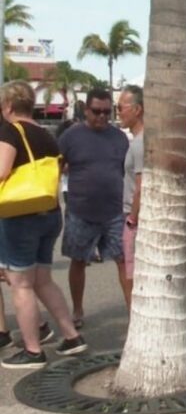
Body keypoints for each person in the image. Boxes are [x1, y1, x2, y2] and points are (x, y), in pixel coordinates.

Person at [0, 81, 87, 368]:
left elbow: (1, 172)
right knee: (43, 280)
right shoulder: (46, 134)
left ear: (9, 106)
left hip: (20, 215)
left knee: (20, 284)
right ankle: (71, 336)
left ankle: (33, 350)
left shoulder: (11, 131)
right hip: (49, 212)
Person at [58, 87, 131, 328]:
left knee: (124, 262)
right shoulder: (71, 136)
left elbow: (127, 172)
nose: (101, 116)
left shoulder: (120, 138)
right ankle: (78, 310)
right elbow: (56, 168)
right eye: (96, 111)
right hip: (80, 211)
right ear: (86, 110)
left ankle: (133, 313)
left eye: (107, 112)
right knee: (78, 262)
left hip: (114, 213)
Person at [118, 85, 143, 308]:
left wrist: (132, 219)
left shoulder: (139, 144)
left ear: (136, 109)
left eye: (121, 108)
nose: (119, 113)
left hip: (133, 218)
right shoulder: (137, 142)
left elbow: (140, 186)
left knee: (132, 275)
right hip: (131, 215)